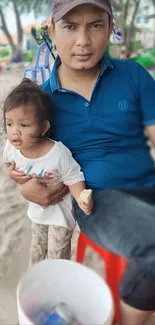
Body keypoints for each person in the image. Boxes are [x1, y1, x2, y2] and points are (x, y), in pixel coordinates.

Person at [7, 0, 155, 324]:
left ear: (111, 28)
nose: (83, 41)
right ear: (52, 31)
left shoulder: (133, 75)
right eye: (71, 26)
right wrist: (26, 188)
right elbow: (26, 159)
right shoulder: (40, 104)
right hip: (96, 198)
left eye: (95, 25)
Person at [2, 78, 93, 264]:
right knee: (37, 247)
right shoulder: (11, 147)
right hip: (37, 210)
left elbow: (73, 177)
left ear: (44, 127)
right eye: (9, 124)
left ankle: (54, 285)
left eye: (24, 125)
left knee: (56, 254)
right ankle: (35, 282)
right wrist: (11, 174)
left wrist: (81, 200)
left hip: (60, 214)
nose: (15, 132)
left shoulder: (57, 153)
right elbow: (7, 164)